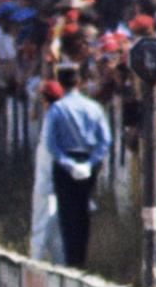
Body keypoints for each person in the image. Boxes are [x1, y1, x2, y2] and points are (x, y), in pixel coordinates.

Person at [41, 63, 113, 268]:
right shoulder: (94, 107)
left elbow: (51, 143)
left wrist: (68, 163)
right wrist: (90, 163)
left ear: (60, 82)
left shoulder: (57, 108)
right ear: (79, 81)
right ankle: (81, 260)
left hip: (65, 165)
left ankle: (71, 260)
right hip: (88, 163)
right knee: (83, 212)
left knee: (67, 213)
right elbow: (105, 140)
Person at [29, 81, 65, 265]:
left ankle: (34, 268)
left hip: (48, 185)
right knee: (58, 236)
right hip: (58, 185)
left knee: (41, 231)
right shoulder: (58, 115)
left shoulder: (54, 118)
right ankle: (62, 270)